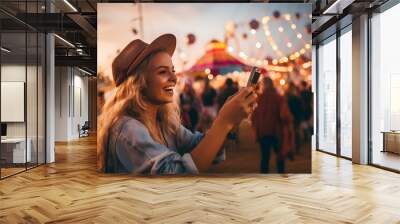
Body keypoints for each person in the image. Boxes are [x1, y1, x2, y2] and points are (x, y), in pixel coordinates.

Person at [97, 34, 258, 175]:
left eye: (172, 70)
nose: (174, 78)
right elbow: (177, 174)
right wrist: (224, 122)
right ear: (138, 83)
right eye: (162, 72)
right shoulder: (127, 128)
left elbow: (201, 145)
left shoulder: (164, 123)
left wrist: (231, 121)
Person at [251, 77, 293, 173]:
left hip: (263, 132)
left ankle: (264, 178)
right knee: (280, 156)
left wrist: (256, 130)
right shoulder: (279, 98)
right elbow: (285, 116)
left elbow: (253, 117)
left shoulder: (258, 99)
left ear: (264, 86)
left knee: (265, 157)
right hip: (277, 132)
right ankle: (281, 175)